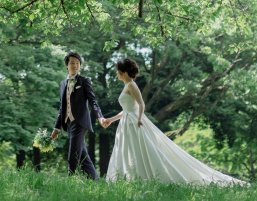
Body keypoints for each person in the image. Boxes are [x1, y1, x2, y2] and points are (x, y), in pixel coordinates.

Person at [103, 58, 245, 185]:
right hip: (126, 122)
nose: (117, 73)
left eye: (118, 71)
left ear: (125, 73)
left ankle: (148, 176)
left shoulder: (132, 86)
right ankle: (129, 178)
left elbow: (141, 104)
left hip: (135, 122)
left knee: (142, 149)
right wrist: (111, 119)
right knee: (129, 149)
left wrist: (139, 119)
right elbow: (127, 109)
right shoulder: (126, 86)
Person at [51, 51, 107, 180]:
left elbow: (93, 101)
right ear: (67, 65)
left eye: (77, 63)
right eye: (72, 63)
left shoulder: (84, 80)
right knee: (83, 156)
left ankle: (70, 183)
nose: (75, 66)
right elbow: (62, 108)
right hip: (68, 123)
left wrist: (100, 116)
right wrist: (56, 128)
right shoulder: (63, 84)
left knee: (72, 156)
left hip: (80, 122)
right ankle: (95, 182)